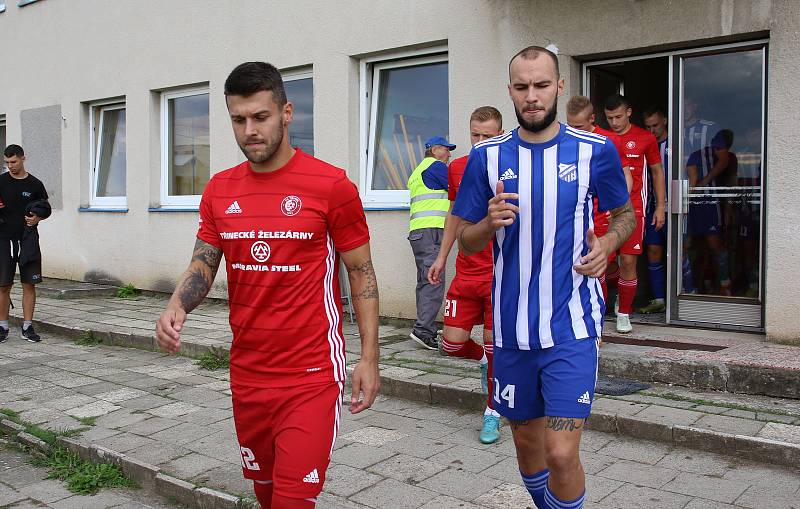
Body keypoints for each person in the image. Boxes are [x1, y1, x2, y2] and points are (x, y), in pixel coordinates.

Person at [155, 62, 380, 509]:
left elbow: (362, 273)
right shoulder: (220, 190)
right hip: (248, 376)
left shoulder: (331, 186)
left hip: (311, 376)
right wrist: (176, 305)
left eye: (260, 117)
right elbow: (204, 261)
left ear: (287, 113)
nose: (249, 130)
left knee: (293, 502)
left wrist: (370, 358)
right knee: (266, 494)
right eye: (239, 120)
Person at [453, 46, 635, 509]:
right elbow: (469, 242)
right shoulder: (487, 157)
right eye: (521, 87)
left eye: (540, 85)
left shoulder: (596, 150)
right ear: (510, 91)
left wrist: (608, 245)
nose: (531, 96)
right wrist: (487, 223)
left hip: (572, 325)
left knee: (560, 451)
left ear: (559, 87)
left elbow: (626, 216)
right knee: (529, 449)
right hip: (512, 331)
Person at [428, 106, 504, 444]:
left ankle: (492, 412)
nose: (480, 142)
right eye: (475, 135)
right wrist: (441, 258)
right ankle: (487, 364)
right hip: (466, 273)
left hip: (501, 277)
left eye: (488, 136)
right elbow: (454, 217)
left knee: (495, 349)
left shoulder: (513, 166)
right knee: (451, 345)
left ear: (501, 134)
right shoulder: (458, 168)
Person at [603, 94, 665, 333]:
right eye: (610, 118)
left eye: (618, 117)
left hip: (633, 211)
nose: (614, 122)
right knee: (605, 263)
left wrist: (661, 206)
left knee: (629, 261)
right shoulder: (601, 137)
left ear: (628, 112)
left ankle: (624, 313)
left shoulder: (645, 138)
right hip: (604, 212)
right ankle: (618, 287)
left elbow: (657, 172)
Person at [566, 96, 631, 304]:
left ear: (592, 119)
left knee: (596, 265)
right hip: (577, 217)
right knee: (584, 265)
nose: (574, 131)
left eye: (578, 126)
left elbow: (625, 176)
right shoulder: (566, 142)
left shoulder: (607, 142)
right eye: (570, 125)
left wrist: (616, 206)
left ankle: (600, 318)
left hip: (602, 215)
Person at [0, 144, 50, 343]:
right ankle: (2, 326)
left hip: (28, 240)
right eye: (7, 163)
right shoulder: (1, 181)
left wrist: (38, 218)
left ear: (23, 159)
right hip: (4, 239)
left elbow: (46, 207)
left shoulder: (35, 183)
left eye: (13, 162)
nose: (10, 166)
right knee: (4, 285)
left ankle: (27, 326)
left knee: (29, 284)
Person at [407, 136, 454, 349]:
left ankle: (424, 327)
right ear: (435, 150)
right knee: (434, 280)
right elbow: (457, 189)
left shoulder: (418, 171)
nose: (449, 154)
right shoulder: (436, 167)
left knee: (425, 280)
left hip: (418, 233)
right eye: (447, 150)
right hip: (432, 231)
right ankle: (423, 330)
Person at [638, 106, 670, 313]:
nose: (652, 130)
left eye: (656, 125)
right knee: (653, 250)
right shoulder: (644, 144)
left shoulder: (677, 143)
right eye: (648, 126)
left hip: (676, 204)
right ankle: (659, 299)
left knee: (680, 251)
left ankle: (687, 295)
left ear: (665, 121)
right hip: (650, 207)